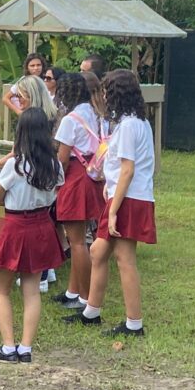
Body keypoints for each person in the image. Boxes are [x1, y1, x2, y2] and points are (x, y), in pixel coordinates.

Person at [63, 70, 156, 336]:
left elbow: (128, 169)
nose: (102, 96)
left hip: (128, 200)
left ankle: (134, 324)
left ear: (115, 94)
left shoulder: (128, 126)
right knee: (98, 252)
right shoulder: (139, 122)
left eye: (105, 91)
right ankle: (91, 312)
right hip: (123, 197)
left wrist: (113, 211)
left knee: (124, 259)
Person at [0, 108, 65, 364]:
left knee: (0, 288)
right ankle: (26, 347)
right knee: (31, 290)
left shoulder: (15, 164)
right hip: (42, 225)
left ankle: (8, 347)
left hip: (16, 225)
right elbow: (55, 195)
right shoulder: (54, 165)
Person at [51, 72, 107, 312]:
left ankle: (84, 297)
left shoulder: (70, 119)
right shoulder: (95, 114)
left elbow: (62, 158)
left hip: (74, 177)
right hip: (92, 177)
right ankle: (72, 290)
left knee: (76, 242)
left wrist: (53, 183)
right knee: (81, 237)